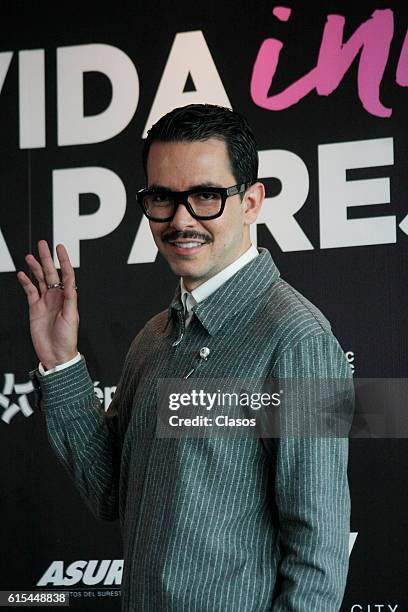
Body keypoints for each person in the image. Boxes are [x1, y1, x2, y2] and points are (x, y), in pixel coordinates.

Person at [18, 104, 352, 611]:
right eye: (162, 197)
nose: (180, 219)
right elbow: (110, 492)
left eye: (206, 196)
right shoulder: (153, 338)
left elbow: (319, 553)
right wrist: (62, 362)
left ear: (251, 201)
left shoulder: (298, 338)